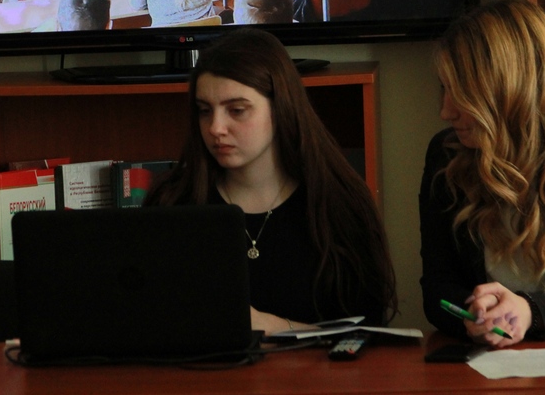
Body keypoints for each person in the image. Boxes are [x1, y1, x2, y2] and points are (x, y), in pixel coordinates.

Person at [144, 28, 397, 331]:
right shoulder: (173, 201)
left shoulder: (341, 205)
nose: (216, 128)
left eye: (237, 110)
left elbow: (368, 335)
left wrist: (271, 327)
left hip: (318, 365)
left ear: (280, 108)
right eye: (204, 111)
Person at [419, 0, 545, 346]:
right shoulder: (445, 156)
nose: (445, 111)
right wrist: (475, 314)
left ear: (511, 89)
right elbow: (437, 290)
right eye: (445, 88)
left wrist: (530, 312)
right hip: (486, 364)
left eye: (462, 91)